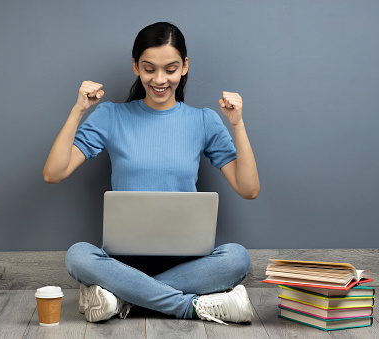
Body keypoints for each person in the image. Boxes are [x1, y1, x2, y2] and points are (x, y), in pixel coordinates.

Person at [43, 22, 260, 325]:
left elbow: (248, 188)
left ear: (184, 67)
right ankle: (191, 307)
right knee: (78, 255)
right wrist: (78, 109)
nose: (160, 80)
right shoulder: (110, 115)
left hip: (188, 261)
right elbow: (54, 173)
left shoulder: (203, 121)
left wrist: (237, 124)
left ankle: (121, 298)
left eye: (170, 69)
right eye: (149, 69)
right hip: (122, 262)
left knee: (237, 258)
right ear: (136, 67)